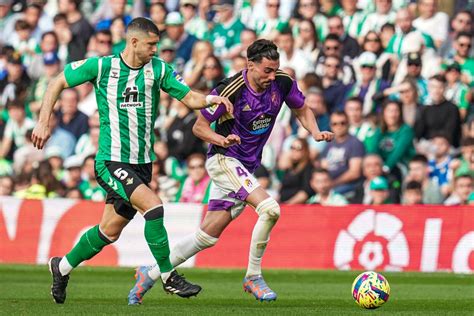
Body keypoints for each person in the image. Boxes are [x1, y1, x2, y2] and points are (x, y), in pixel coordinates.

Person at [31, 17, 232, 304]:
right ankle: (168, 275)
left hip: (141, 164)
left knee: (108, 232)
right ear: (133, 41)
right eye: (151, 44)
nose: (155, 49)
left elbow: (188, 97)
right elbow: (57, 81)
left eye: (157, 44)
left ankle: (61, 267)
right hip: (111, 161)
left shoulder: (159, 70)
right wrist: (42, 122)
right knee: (154, 206)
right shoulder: (102, 66)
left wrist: (213, 100)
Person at [127, 39, 334, 304]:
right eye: (267, 70)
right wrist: (220, 139)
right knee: (270, 209)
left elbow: (301, 108)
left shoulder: (283, 82)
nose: (272, 76)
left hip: (245, 166)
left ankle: (150, 273)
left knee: (207, 236)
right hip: (224, 159)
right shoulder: (230, 89)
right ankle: (253, 276)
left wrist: (315, 132)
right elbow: (199, 127)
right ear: (250, 65)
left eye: (276, 69)